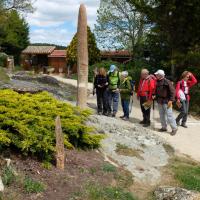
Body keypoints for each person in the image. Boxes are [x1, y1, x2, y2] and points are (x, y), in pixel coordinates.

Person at [154, 69, 178, 136]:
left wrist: (171, 100)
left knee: (169, 115)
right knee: (161, 115)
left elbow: (173, 91)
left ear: (160, 75)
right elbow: (157, 91)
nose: (156, 75)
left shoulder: (167, 82)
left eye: (157, 75)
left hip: (167, 101)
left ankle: (174, 128)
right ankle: (164, 127)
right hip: (160, 101)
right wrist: (154, 95)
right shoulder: (157, 81)